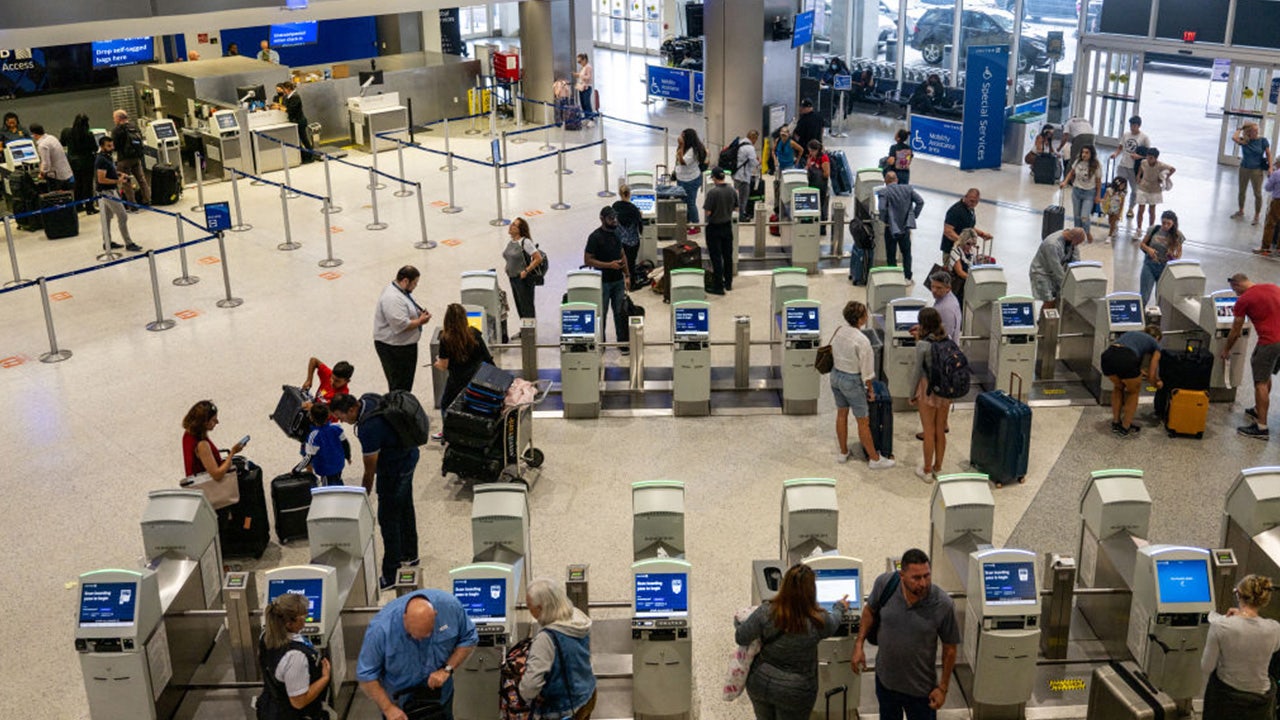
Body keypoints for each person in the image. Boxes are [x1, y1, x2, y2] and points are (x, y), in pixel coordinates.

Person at [851, 548, 960, 719]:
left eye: (927, 575)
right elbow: (869, 611)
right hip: (886, 684)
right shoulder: (884, 584)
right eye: (916, 578)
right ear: (902, 576)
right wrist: (859, 645)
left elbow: (950, 649)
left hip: (921, 692)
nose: (923, 583)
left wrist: (943, 688)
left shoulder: (943, 604)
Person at [329, 393, 420, 587]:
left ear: (352, 409)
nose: (342, 421)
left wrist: (363, 495)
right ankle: (411, 555)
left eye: (342, 416)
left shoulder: (368, 428)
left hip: (395, 470)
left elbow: (370, 469)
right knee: (405, 507)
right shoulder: (369, 399)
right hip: (410, 455)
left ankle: (391, 573)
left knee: (388, 520)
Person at [734, 564, 846, 719]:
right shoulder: (818, 620)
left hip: (760, 681)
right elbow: (834, 622)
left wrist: (740, 622)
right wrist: (840, 607)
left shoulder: (767, 611)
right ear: (812, 591)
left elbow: (741, 637)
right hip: (796, 690)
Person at [356, 589, 478, 719]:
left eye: (427, 635)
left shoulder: (450, 608)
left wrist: (447, 669)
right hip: (400, 705)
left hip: (440, 696)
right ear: (405, 619)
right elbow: (366, 675)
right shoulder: (380, 630)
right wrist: (388, 708)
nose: (420, 640)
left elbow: (469, 638)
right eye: (413, 636)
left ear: (435, 615)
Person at [1200, 574, 1280, 720]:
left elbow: (1207, 666)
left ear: (1239, 595)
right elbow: (1270, 649)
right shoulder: (1275, 628)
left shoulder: (1221, 626)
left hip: (1228, 700)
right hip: (1261, 703)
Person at [519, 579, 598, 720]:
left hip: (562, 708)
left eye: (529, 605)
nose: (527, 608)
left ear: (541, 608)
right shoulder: (578, 618)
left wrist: (522, 695)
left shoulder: (546, 638)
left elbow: (530, 686)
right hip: (587, 695)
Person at [831, 301, 895, 469]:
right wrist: (871, 390)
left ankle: (843, 452)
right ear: (861, 319)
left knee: (841, 414)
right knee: (863, 421)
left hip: (836, 376)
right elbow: (867, 371)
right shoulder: (862, 340)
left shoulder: (839, 331)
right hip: (852, 380)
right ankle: (874, 459)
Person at [256, 591, 332, 720]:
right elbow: (298, 702)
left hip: (271, 706)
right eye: (303, 616)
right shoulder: (295, 656)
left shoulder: (266, 636)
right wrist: (325, 678)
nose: (307, 617)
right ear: (289, 624)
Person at [1222, 273, 1280, 440]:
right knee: (1266, 373)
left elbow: (1236, 330)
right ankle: (1257, 409)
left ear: (1237, 285)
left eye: (1235, 291)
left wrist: (1227, 349)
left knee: (1259, 382)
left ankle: (1261, 427)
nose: (1236, 295)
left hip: (1269, 342)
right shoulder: (1273, 287)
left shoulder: (1244, 300)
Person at [373, 266, 432, 393]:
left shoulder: (401, 292)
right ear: (405, 281)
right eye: (414, 283)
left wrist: (418, 313)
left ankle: (403, 404)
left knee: (406, 382)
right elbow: (400, 325)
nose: (416, 286)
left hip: (404, 345)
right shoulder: (392, 298)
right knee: (399, 384)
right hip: (394, 348)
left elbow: (406, 308)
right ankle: (398, 407)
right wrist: (420, 321)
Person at [910, 308, 952, 483]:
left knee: (928, 431)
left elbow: (917, 372)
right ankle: (938, 467)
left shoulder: (922, 345)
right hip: (945, 389)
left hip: (927, 389)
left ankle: (927, 471)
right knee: (940, 430)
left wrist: (911, 393)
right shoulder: (947, 339)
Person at [584, 206, 631, 353]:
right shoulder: (594, 237)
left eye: (615, 218)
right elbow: (588, 260)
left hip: (618, 282)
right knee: (601, 314)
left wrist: (627, 275)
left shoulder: (616, 233)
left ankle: (622, 343)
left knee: (620, 312)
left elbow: (622, 254)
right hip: (602, 282)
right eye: (611, 218)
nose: (614, 221)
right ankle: (601, 344)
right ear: (602, 219)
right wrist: (608, 265)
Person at [1101, 325, 1162, 437]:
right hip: (1127, 359)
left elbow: (1126, 352)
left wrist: (1138, 372)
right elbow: (1152, 375)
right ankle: (1125, 427)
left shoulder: (1132, 333)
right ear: (1157, 337)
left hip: (1108, 356)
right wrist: (1157, 384)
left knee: (1118, 387)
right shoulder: (1155, 344)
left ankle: (1116, 422)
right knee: (1133, 392)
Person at [434, 302, 494, 413]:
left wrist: (437, 362)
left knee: (446, 406)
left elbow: (443, 365)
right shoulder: (474, 333)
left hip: (456, 382)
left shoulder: (445, 339)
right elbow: (487, 357)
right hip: (476, 380)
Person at [94, 136, 143, 253]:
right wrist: (118, 181)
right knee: (122, 216)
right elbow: (101, 179)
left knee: (106, 218)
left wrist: (119, 174)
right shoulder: (101, 160)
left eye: (112, 145)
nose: (112, 148)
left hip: (108, 190)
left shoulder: (107, 157)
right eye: (108, 146)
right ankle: (129, 243)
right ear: (102, 147)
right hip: (107, 192)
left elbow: (110, 171)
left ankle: (107, 242)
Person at [181, 400, 247, 479]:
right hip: (210, 485)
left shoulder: (189, 434)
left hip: (200, 479)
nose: (217, 422)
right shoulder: (201, 444)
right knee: (252, 471)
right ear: (204, 423)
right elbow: (217, 475)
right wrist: (233, 452)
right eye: (213, 420)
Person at [878, 170, 924, 282]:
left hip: (890, 228)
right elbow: (920, 201)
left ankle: (893, 277)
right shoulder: (908, 189)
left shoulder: (884, 192)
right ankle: (908, 276)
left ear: (885, 181)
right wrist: (913, 215)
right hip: (905, 227)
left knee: (891, 254)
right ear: (896, 180)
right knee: (906, 253)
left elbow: (882, 208)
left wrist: (885, 220)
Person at [703, 166, 738, 296]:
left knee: (716, 258)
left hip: (714, 228)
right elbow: (736, 208)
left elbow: (708, 212)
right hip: (727, 227)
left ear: (714, 178)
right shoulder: (732, 190)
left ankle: (718, 287)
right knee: (727, 256)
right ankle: (728, 283)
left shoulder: (712, 193)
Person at [1029, 228, 1086, 309]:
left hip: (1054, 273)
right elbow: (1056, 268)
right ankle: (1046, 320)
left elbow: (1076, 262)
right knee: (1049, 300)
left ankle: (1044, 319)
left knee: (1056, 300)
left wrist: (1078, 281)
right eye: (1077, 243)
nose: (1077, 245)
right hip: (1041, 273)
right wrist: (1067, 285)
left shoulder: (1071, 240)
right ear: (1073, 238)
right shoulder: (1052, 244)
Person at [1138, 210, 1184, 307]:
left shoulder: (1177, 235)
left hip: (1165, 268)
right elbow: (1142, 244)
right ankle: (1140, 316)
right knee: (1144, 296)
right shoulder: (1154, 229)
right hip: (1149, 265)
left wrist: (1174, 257)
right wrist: (1148, 249)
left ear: (1173, 223)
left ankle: (1158, 318)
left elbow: (1179, 252)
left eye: (1168, 224)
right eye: (1163, 223)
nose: (1165, 226)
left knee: (1161, 298)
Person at [503, 217, 543, 324]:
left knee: (527, 307)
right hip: (513, 278)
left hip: (523, 280)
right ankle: (524, 330)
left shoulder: (525, 242)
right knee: (519, 306)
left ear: (520, 229)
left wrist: (526, 271)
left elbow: (538, 258)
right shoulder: (511, 242)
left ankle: (530, 332)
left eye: (514, 225)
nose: (511, 226)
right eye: (512, 224)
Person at [1232, 122, 1272, 226]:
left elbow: (1268, 154)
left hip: (1257, 170)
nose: (1257, 132)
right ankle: (1241, 211)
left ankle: (1257, 216)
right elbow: (1234, 137)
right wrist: (1240, 128)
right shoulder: (1245, 141)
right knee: (1242, 191)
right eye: (1254, 130)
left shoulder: (1263, 141)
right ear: (1248, 132)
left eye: (1257, 130)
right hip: (1244, 168)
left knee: (1257, 194)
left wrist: (1271, 168)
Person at [1060, 144, 1102, 243]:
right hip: (1076, 191)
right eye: (1083, 152)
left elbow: (1098, 181)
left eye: (1087, 153)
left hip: (1089, 193)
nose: (1084, 155)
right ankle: (1078, 235)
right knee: (1076, 216)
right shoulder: (1078, 161)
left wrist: (1098, 195)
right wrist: (1065, 182)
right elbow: (1071, 172)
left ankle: (1087, 232)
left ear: (1091, 154)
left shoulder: (1096, 165)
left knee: (1084, 216)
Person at [1110, 115, 1149, 218]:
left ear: (1139, 126)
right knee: (1119, 188)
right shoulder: (1126, 134)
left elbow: (1149, 155)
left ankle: (1131, 208)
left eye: (1134, 125)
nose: (1132, 127)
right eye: (1131, 125)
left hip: (1134, 168)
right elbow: (1120, 147)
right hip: (1123, 165)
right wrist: (1115, 154)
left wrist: (1139, 156)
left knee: (1135, 190)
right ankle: (1117, 208)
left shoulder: (1144, 138)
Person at [300, 403, 348, 486]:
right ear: (328, 415)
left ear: (311, 418)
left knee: (328, 490)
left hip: (326, 469)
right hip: (339, 464)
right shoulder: (337, 428)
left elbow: (308, 457)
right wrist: (348, 455)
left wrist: (296, 469)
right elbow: (345, 443)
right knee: (337, 479)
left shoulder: (314, 436)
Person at [110, 110, 150, 207]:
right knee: (141, 179)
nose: (113, 120)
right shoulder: (134, 127)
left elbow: (114, 145)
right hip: (136, 157)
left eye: (114, 118)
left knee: (126, 181)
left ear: (119, 118)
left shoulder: (117, 130)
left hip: (124, 159)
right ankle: (147, 199)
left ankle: (132, 204)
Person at [61, 114, 99, 214]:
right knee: (88, 185)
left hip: (73, 162)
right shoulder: (88, 134)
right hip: (87, 162)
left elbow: (63, 143)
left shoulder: (67, 132)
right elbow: (94, 148)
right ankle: (89, 207)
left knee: (77, 184)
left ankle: (78, 206)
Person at [940, 189, 991, 262]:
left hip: (964, 251)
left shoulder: (970, 209)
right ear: (965, 197)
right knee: (953, 272)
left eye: (976, 202)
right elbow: (948, 231)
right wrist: (963, 242)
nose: (973, 204)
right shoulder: (955, 211)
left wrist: (982, 234)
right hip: (951, 250)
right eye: (971, 201)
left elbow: (969, 226)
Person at [1134, 148, 1175, 233]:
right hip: (1143, 187)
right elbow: (1141, 168)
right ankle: (1138, 229)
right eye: (1148, 157)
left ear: (1156, 158)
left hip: (1154, 189)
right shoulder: (1144, 162)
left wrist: (1165, 178)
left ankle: (1150, 229)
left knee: (1151, 210)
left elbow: (1172, 169)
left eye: (1151, 158)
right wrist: (1138, 176)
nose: (1149, 159)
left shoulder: (1161, 165)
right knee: (1140, 209)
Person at [674, 128, 707, 232]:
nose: (680, 137)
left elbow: (683, 161)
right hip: (682, 178)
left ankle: (696, 225)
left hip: (691, 180)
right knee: (683, 201)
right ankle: (686, 222)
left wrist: (681, 145)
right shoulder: (686, 147)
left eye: (682, 136)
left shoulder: (692, 150)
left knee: (690, 202)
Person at [273, 81, 313, 161]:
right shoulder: (289, 97)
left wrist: (279, 108)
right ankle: (303, 156)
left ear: (288, 89)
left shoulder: (295, 97)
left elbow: (290, 110)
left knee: (304, 139)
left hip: (299, 121)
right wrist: (280, 106)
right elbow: (287, 106)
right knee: (298, 140)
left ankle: (310, 156)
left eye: (284, 89)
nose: (283, 91)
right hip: (295, 121)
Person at [613, 186, 642, 286]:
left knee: (621, 260)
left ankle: (620, 281)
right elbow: (639, 225)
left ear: (619, 194)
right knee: (631, 262)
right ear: (629, 194)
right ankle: (631, 282)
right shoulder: (634, 209)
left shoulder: (615, 206)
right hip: (632, 241)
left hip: (619, 241)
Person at [30, 124, 73, 191]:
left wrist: (41, 174)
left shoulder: (42, 145)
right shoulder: (51, 137)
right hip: (66, 173)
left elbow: (46, 164)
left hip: (57, 178)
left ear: (34, 134)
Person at [733, 130, 761, 221]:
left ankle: (735, 215)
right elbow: (753, 162)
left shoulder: (739, 143)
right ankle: (741, 216)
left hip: (736, 174)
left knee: (736, 197)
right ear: (753, 138)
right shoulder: (750, 148)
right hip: (744, 177)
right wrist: (759, 162)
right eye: (755, 139)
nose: (755, 141)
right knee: (743, 198)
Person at [948, 229, 979, 308]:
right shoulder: (955, 251)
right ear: (963, 241)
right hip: (957, 287)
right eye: (968, 244)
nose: (970, 247)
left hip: (967, 285)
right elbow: (959, 272)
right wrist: (974, 279)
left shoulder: (971, 252)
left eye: (973, 244)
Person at [805, 139, 831, 235]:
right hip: (812, 185)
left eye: (812, 151)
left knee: (821, 206)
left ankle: (822, 228)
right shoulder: (811, 157)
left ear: (817, 150)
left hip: (821, 187)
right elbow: (807, 168)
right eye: (809, 151)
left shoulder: (824, 158)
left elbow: (827, 174)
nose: (810, 153)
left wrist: (817, 173)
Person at [928, 272, 961, 343]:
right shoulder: (949, 298)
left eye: (939, 288)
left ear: (948, 288)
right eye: (932, 286)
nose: (934, 291)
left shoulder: (945, 308)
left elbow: (945, 335)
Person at [1101, 176, 1128, 242]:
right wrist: (1104, 205)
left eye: (1124, 185)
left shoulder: (1122, 194)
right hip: (1109, 208)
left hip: (1117, 210)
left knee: (1113, 222)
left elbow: (1122, 204)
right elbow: (1104, 198)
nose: (1123, 186)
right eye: (1122, 185)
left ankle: (1109, 235)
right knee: (1110, 221)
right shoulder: (1109, 190)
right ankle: (1115, 228)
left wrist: (1119, 212)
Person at [1260, 165, 1280, 256]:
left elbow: (1268, 188)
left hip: (1277, 201)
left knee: (1270, 224)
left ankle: (1265, 247)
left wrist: (1270, 177)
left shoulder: (1276, 174)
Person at [573, 53, 595, 125]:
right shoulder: (583, 67)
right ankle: (586, 117)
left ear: (584, 60)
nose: (580, 63)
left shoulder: (588, 67)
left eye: (580, 62)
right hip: (581, 88)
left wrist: (579, 75)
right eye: (578, 62)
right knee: (583, 104)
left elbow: (588, 77)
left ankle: (591, 119)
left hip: (587, 88)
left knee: (587, 103)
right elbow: (582, 76)